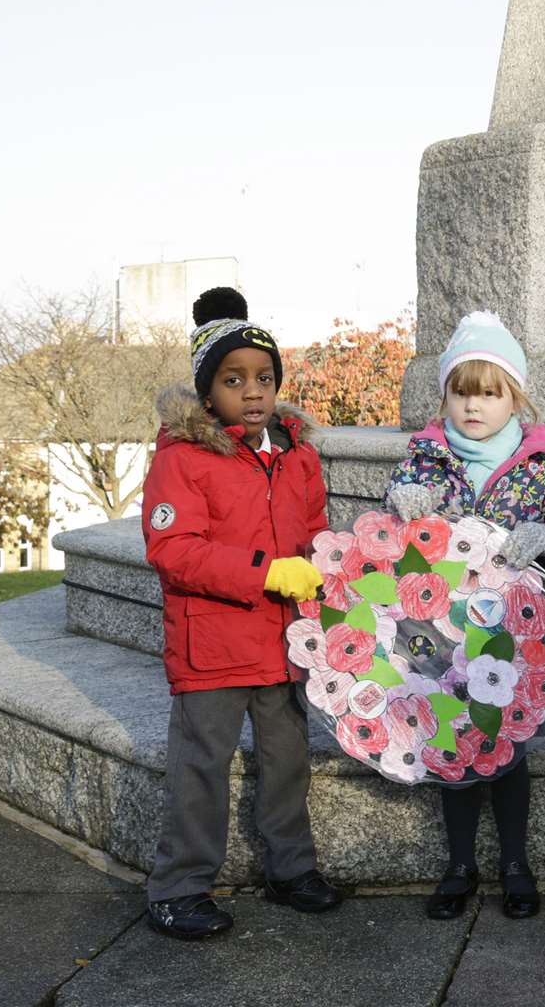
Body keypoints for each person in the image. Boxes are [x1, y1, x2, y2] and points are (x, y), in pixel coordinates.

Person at [140, 287, 342, 939]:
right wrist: (264, 573)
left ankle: (291, 869)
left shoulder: (298, 453)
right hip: (214, 645)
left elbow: (314, 531)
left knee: (288, 760)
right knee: (201, 766)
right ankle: (178, 887)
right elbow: (174, 550)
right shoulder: (182, 457)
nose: (253, 392)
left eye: (264, 378)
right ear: (207, 392)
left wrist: (330, 576)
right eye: (234, 380)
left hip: (283, 642)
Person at [384, 310, 545, 922]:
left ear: (514, 398)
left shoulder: (542, 467)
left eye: (489, 393)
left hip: (515, 640)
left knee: (509, 749)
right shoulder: (424, 461)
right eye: (461, 392)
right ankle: (459, 864)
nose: (474, 406)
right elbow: (393, 551)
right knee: (454, 745)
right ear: (444, 395)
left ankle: (516, 863)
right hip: (441, 635)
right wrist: (404, 517)